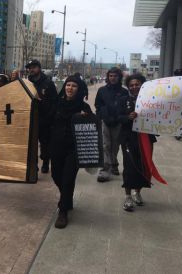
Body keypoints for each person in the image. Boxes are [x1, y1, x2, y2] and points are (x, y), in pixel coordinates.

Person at [50, 75, 92, 228]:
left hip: (74, 150)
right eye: (68, 85)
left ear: (79, 89)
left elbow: (92, 127)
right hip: (56, 147)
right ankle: (67, 197)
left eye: (74, 86)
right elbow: (48, 122)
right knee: (56, 176)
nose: (70, 88)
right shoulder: (57, 103)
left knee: (67, 179)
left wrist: (85, 118)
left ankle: (63, 211)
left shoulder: (84, 107)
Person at [119, 74, 155, 211]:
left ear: (142, 85)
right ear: (128, 87)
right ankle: (128, 196)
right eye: (131, 85)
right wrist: (128, 117)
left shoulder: (152, 100)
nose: (134, 87)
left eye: (137, 84)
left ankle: (137, 192)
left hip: (146, 138)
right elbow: (118, 117)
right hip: (129, 138)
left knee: (143, 165)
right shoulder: (123, 100)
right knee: (129, 166)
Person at [95, 67, 128, 182]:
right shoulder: (102, 90)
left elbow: (126, 108)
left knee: (115, 146)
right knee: (105, 145)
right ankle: (105, 170)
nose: (113, 78)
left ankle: (114, 163)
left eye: (115, 76)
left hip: (118, 123)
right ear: (108, 77)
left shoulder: (124, 92)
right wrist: (101, 116)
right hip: (105, 122)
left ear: (119, 77)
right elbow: (97, 105)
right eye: (111, 76)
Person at [26, 59, 58, 174]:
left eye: (33, 67)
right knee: (31, 144)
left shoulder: (48, 83)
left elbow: (55, 101)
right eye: (29, 68)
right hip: (31, 119)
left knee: (45, 144)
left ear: (39, 68)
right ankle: (34, 166)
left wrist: (50, 116)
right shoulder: (27, 83)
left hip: (45, 119)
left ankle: (45, 162)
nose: (31, 70)